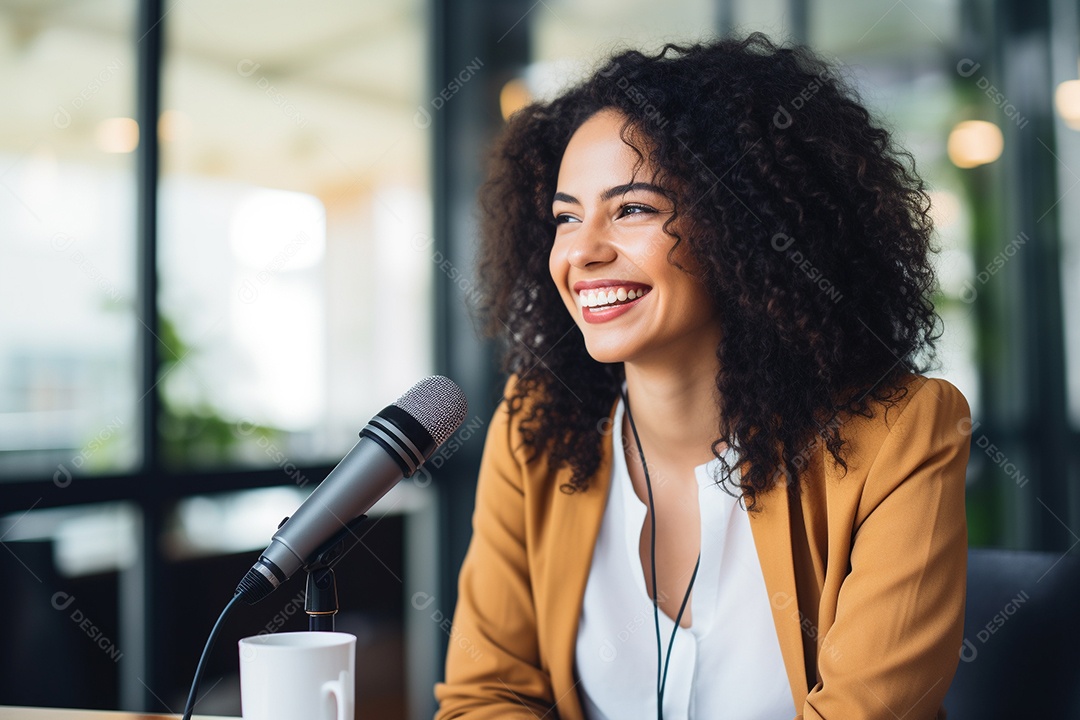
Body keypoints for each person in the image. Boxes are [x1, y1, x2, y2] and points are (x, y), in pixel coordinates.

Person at [435, 33, 971, 720]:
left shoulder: (901, 432)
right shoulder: (536, 425)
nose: (582, 252)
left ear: (742, 223)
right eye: (566, 218)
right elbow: (486, 695)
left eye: (633, 209)